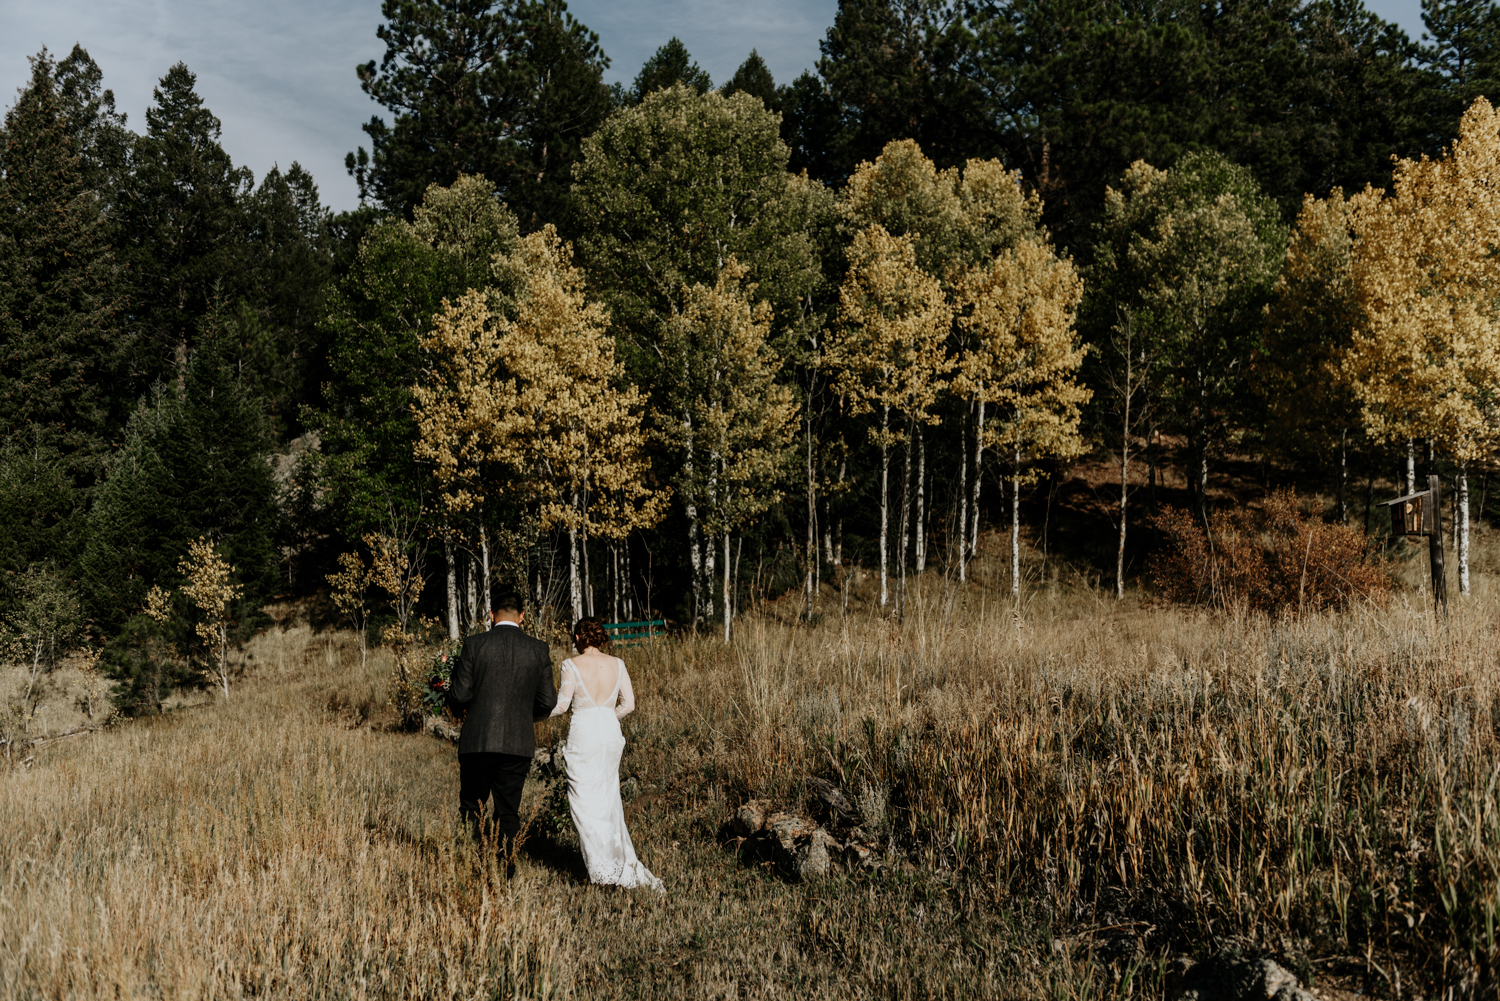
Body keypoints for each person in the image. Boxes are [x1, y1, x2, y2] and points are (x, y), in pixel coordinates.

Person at [445, 591, 555, 877]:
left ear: (491, 615)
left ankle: (472, 866)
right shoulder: (538, 649)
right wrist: (522, 717)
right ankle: (505, 868)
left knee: (472, 807)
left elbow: (460, 693)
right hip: (518, 743)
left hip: (478, 741)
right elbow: (548, 702)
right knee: (508, 810)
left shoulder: (474, 644)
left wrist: (451, 699)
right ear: (522, 616)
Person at [549, 617, 664, 893]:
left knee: (585, 804)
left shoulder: (570, 664)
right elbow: (629, 704)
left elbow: (563, 705)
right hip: (610, 732)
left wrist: (532, 714)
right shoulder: (618, 663)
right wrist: (608, 718)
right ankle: (613, 863)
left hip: (584, 732)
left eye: (574, 637)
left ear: (579, 637)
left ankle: (602, 871)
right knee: (608, 799)